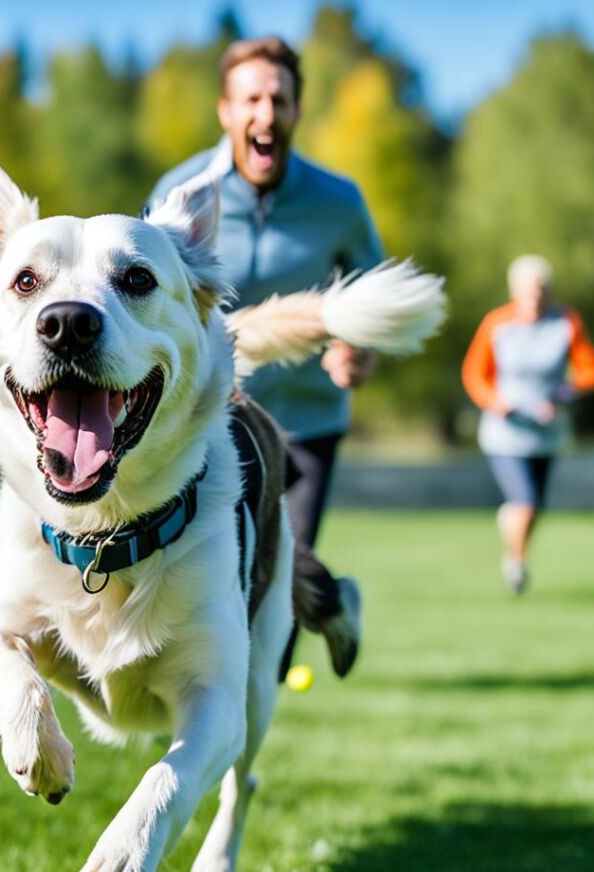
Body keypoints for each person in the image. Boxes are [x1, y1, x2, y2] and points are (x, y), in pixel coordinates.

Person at [147, 36, 384, 679]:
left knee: (279, 583)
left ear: (297, 112)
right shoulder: (181, 195)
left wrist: (358, 352)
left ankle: (326, 607)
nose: (266, 113)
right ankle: (320, 611)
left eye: (279, 99)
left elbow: (373, 298)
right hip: (209, 418)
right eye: (251, 98)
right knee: (225, 585)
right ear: (226, 111)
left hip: (305, 421)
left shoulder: (339, 203)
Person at [461, 255, 594, 593]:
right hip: (505, 431)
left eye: (541, 290)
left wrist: (562, 394)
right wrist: (494, 402)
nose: (536, 297)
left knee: (534, 507)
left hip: (546, 431)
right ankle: (517, 565)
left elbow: (587, 371)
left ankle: (514, 548)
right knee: (526, 501)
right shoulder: (497, 323)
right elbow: (475, 373)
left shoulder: (566, 322)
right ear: (515, 291)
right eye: (529, 290)